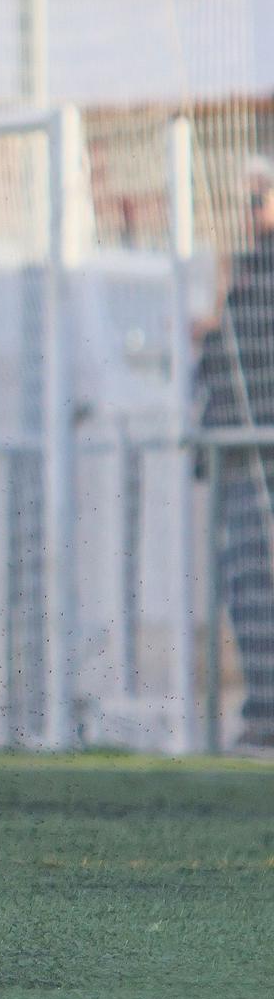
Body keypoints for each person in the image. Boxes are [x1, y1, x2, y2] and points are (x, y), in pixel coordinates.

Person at [195, 158, 274, 748]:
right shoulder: (241, 274)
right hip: (244, 459)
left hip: (261, 452)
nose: (249, 214)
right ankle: (263, 710)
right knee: (247, 587)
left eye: (258, 200)